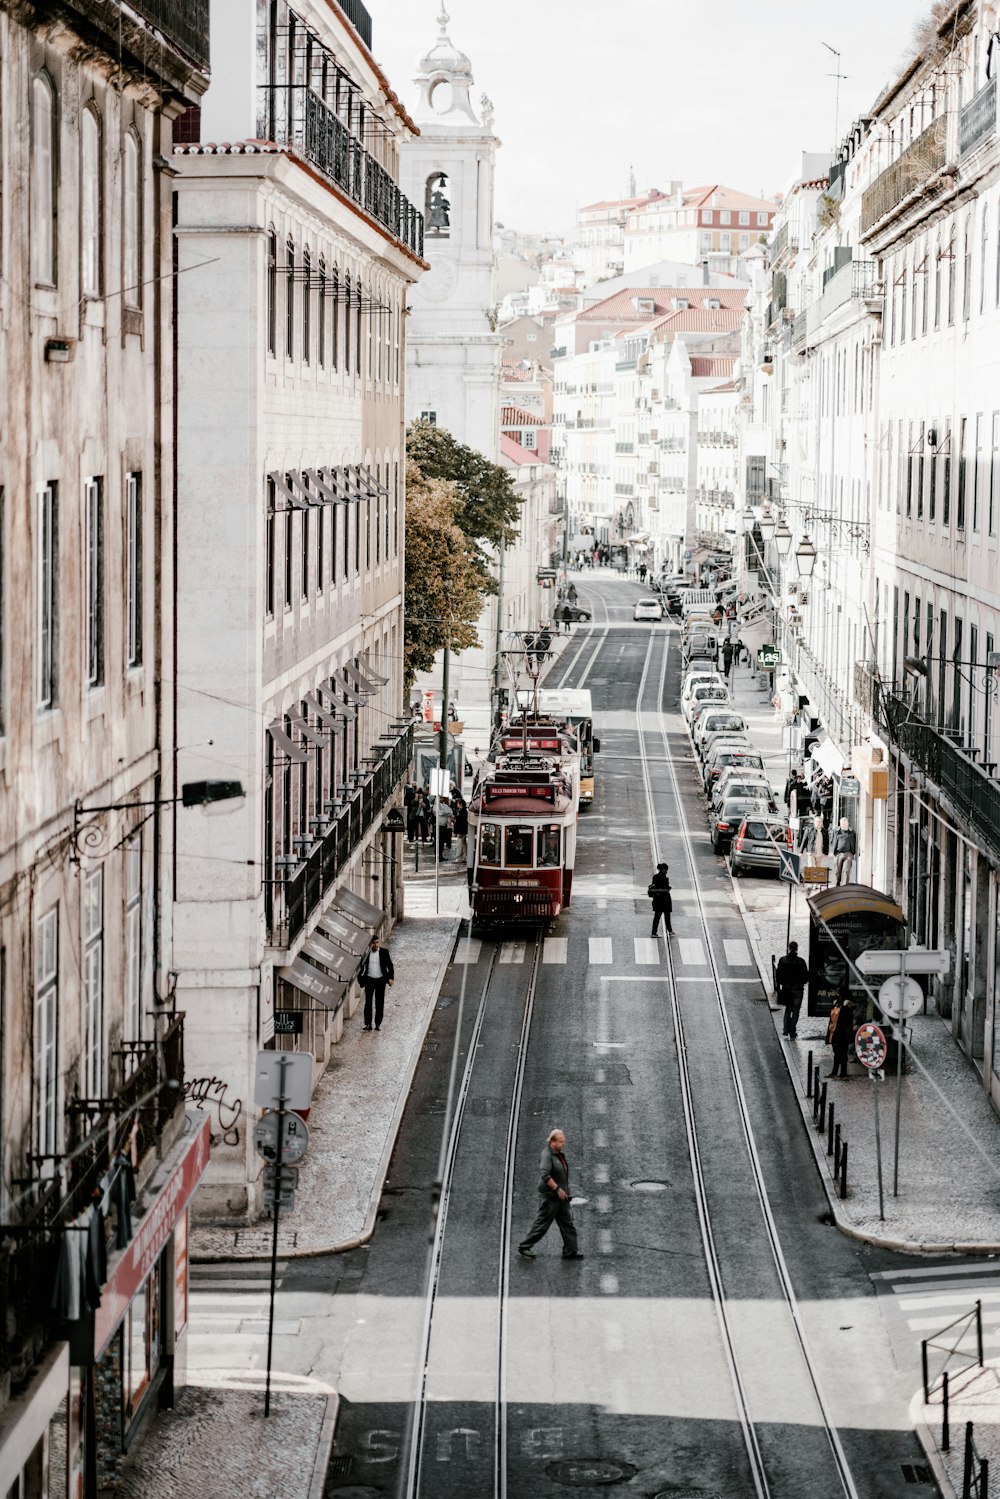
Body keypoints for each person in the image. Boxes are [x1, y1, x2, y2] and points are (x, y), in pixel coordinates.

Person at [517, 1128, 583, 1259]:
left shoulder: (557, 1154)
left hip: (562, 1197)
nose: (563, 1144)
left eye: (563, 1141)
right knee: (542, 1224)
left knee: (567, 1223)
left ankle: (570, 1251)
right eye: (560, 1142)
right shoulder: (547, 1155)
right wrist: (557, 1189)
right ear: (552, 1142)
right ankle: (524, 1246)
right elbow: (545, 1175)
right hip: (551, 1197)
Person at [776, 940, 809, 1039]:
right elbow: (805, 977)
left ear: (788, 948)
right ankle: (792, 1029)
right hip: (798, 989)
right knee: (796, 1011)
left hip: (786, 989)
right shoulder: (801, 962)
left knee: (788, 1010)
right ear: (797, 949)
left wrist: (780, 986)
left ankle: (786, 1029)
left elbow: (778, 975)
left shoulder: (782, 960)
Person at [362, 937, 394, 1031]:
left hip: (380, 980)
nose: (375, 945)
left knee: (379, 1003)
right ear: (370, 944)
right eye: (373, 943)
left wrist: (391, 978)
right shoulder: (366, 954)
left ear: (379, 943)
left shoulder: (384, 952)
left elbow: (390, 965)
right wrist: (361, 979)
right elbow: (361, 966)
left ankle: (378, 1024)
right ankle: (368, 1024)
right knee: (368, 1003)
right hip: (369, 980)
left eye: (377, 942)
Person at [827, 992, 856, 1077]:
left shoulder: (847, 1005)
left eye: (839, 993)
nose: (837, 994)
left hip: (842, 1033)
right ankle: (835, 1071)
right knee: (836, 1053)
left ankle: (843, 1072)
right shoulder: (836, 1003)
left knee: (843, 1054)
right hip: (834, 1031)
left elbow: (848, 1020)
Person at [648, 862, 673, 937]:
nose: (666, 871)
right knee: (664, 916)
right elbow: (663, 887)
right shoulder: (662, 878)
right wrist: (667, 888)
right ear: (663, 869)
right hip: (663, 900)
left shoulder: (656, 877)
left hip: (659, 900)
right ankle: (668, 931)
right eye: (666, 870)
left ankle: (655, 932)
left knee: (658, 917)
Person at [832, 818, 857, 885]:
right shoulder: (836, 831)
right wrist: (832, 852)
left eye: (844, 823)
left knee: (846, 870)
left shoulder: (852, 832)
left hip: (848, 853)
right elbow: (833, 841)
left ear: (847, 824)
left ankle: (845, 885)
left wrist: (853, 852)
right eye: (842, 823)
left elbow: (854, 842)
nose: (843, 825)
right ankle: (838, 881)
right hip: (838, 853)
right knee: (837, 870)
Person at [435, 796, 454, 860]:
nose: (441, 799)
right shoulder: (436, 806)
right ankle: (437, 856)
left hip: (444, 825)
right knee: (438, 841)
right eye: (440, 798)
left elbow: (450, 812)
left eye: (442, 798)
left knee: (442, 842)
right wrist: (446, 813)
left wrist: (445, 813)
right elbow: (440, 813)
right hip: (439, 825)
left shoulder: (445, 806)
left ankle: (440, 855)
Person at [452, 794, 469, 863]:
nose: (457, 805)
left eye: (458, 803)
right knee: (463, 845)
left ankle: (459, 858)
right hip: (463, 831)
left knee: (460, 844)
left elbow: (461, 823)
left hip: (461, 831)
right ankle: (463, 858)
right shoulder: (464, 811)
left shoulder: (462, 812)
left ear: (461, 804)